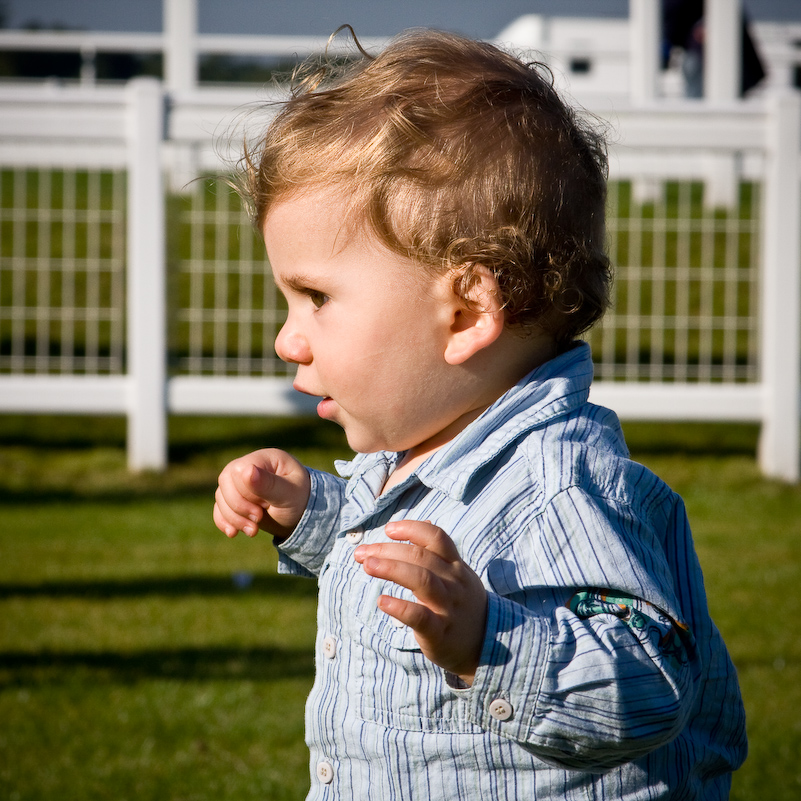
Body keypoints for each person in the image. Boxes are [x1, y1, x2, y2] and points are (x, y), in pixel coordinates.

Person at [213, 29, 747, 799]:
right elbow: (404, 542)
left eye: (317, 298)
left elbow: (648, 682)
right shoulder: (426, 449)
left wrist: (488, 639)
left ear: (466, 313)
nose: (286, 338)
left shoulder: (562, 487)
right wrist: (312, 512)